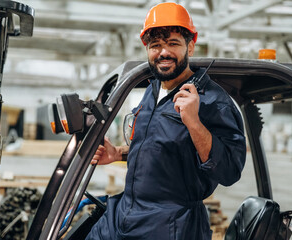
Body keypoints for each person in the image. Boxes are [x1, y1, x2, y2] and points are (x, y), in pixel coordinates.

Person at [86, 2, 246, 240]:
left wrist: (194, 123)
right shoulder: (151, 91)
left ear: (190, 46)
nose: (163, 52)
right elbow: (160, 147)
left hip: (171, 225)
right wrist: (117, 153)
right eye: (156, 45)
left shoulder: (213, 101)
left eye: (173, 44)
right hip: (128, 212)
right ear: (147, 49)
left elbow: (230, 171)